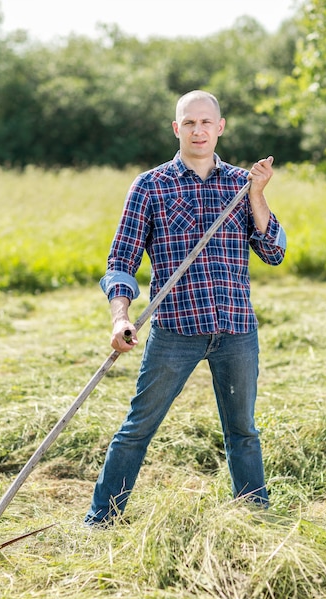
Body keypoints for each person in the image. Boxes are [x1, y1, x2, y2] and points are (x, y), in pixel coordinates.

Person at [84, 90, 286, 526]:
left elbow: (273, 251)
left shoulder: (240, 184)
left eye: (206, 122)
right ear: (177, 129)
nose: (198, 130)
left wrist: (258, 194)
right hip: (176, 331)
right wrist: (120, 318)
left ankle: (256, 518)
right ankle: (101, 520)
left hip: (236, 330)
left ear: (220, 127)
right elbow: (121, 262)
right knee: (137, 429)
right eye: (189, 123)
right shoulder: (150, 186)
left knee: (244, 433)